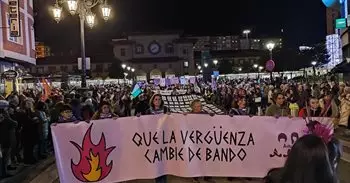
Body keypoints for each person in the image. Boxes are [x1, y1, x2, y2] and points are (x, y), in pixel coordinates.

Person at [145, 94, 168, 183]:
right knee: (157, 160)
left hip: (165, 138)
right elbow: (145, 124)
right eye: (156, 99)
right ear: (152, 100)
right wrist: (139, 118)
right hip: (153, 139)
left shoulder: (166, 109)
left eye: (159, 99)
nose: (157, 101)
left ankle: (163, 179)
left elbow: (174, 119)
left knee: (164, 161)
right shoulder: (148, 111)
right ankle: (158, 179)